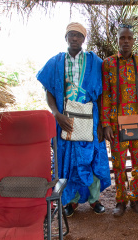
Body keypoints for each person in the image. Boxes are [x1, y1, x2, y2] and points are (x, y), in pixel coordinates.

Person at [37, 22, 111, 217]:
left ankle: (95, 200)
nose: (75, 38)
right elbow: (49, 91)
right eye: (71, 34)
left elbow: (103, 94)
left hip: (90, 119)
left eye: (78, 35)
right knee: (67, 161)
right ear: (65, 37)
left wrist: (102, 123)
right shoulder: (56, 62)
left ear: (84, 38)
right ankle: (71, 201)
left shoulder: (95, 62)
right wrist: (56, 114)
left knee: (92, 158)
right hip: (65, 120)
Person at [101, 24, 138, 216]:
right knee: (119, 164)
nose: (126, 41)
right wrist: (106, 123)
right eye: (122, 38)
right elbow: (105, 94)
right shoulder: (108, 64)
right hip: (117, 122)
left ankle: (135, 198)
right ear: (117, 40)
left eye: (129, 38)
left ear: (133, 40)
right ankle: (121, 200)